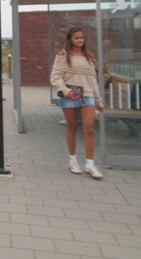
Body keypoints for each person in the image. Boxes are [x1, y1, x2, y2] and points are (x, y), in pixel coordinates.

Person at [50, 27, 105, 179]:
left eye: (82, 37)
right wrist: (66, 91)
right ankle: (73, 161)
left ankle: (90, 165)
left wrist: (99, 101)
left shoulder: (89, 56)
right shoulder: (63, 55)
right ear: (70, 39)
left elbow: (93, 80)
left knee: (89, 129)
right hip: (70, 96)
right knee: (72, 128)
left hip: (87, 95)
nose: (80, 40)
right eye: (77, 38)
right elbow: (55, 77)